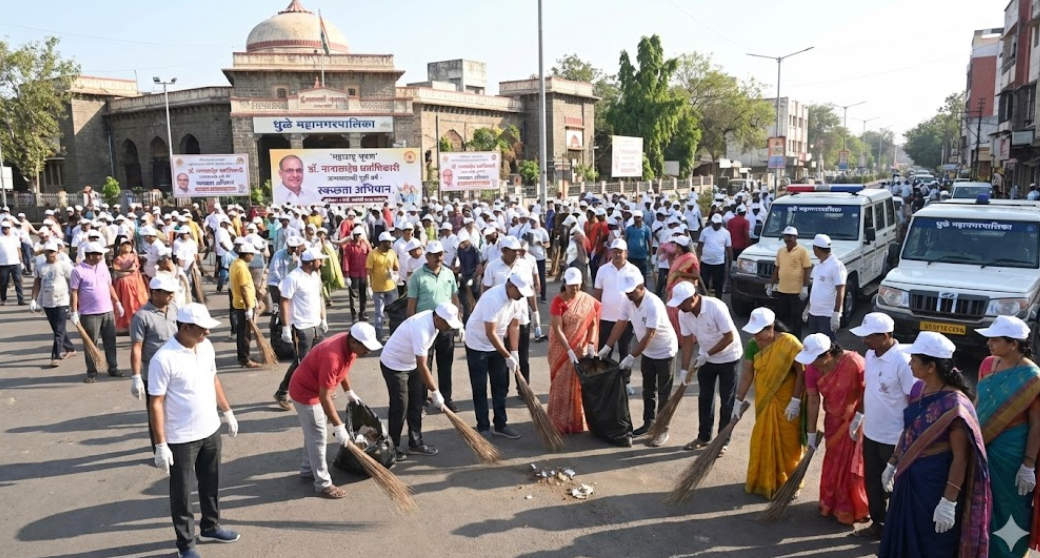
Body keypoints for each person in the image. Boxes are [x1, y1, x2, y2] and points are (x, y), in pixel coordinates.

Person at [878, 332, 990, 558]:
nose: (909, 364)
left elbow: (961, 457)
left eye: (914, 360)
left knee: (930, 541)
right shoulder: (919, 389)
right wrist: (893, 461)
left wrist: (948, 501)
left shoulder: (955, 404)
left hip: (934, 483)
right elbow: (909, 429)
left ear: (931, 367)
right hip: (910, 474)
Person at [148, 303, 240, 558]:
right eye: (203, 329)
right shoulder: (163, 358)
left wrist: (227, 412)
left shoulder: (206, 347)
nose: (208, 333)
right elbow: (155, 402)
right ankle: (186, 545)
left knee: (211, 483)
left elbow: (214, 379)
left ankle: (210, 526)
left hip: (210, 430)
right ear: (185, 327)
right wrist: (160, 445)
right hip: (181, 438)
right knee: (182, 494)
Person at [287, 322, 382, 499]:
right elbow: (324, 397)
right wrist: (339, 427)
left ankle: (308, 470)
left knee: (313, 434)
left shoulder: (349, 346)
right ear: (354, 342)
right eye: (366, 348)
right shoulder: (333, 356)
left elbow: (343, 370)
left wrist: (349, 391)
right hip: (306, 393)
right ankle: (322, 484)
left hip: (314, 388)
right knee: (318, 436)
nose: (368, 352)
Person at [848, 312, 919, 539]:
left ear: (886, 335)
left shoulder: (903, 362)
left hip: (894, 437)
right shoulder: (870, 354)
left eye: (869, 336)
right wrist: (859, 416)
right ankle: (878, 523)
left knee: (894, 486)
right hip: (871, 433)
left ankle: (895, 529)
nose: (864, 341)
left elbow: (914, 400)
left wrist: (909, 437)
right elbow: (869, 389)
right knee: (873, 482)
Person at [974, 315, 1040, 557]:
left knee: (1010, 506)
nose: (989, 344)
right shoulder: (987, 364)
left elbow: (1036, 426)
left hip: (1011, 455)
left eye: (995, 340)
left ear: (1014, 344)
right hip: (982, 446)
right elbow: (978, 403)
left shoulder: (1033, 378)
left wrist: (1028, 464)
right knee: (980, 503)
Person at [796, 333, 869, 525]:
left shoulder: (854, 362)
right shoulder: (812, 369)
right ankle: (830, 503)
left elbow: (868, 392)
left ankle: (850, 508)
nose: (812, 365)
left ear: (827, 355)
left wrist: (859, 417)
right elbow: (813, 399)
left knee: (851, 466)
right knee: (833, 462)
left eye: (815, 360)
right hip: (833, 422)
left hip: (855, 421)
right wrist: (811, 432)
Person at [599, 272, 678, 445]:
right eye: (626, 292)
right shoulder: (627, 301)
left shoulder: (653, 304)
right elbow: (620, 324)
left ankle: (663, 429)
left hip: (665, 350)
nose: (629, 295)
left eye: (632, 291)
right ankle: (649, 423)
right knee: (648, 389)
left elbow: (650, 335)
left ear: (642, 288)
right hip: (648, 352)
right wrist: (607, 346)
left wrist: (631, 356)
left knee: (664, 392)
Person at [736, 307, 804, 499]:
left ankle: (790, 482)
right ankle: (764, 481)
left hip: (787, 399)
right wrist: (737, 401)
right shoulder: (752, 345)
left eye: (760, 332)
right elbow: (748, 374)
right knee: (763, 438)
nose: (757, 336)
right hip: (764, 398)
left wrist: (796, 400)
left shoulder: (790, 343)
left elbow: (802, 372)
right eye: (754, 332)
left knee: (788, 443)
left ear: (771, 328)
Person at [380, 302, 464, 459]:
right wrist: (436, 392)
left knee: (417, 403)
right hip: (394, 364)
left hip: (411, 363)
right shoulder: (422, 329)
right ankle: (393, 446)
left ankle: (415, 442)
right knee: (401, 405)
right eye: (448, 323)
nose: (449, 328)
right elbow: (423, 366)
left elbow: (420, 365)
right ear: (439, 318)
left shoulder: (435, 323)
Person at [667, 280, 742, 451]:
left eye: (681, 303)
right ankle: (704, 437)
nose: (679, 308)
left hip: (729, 357)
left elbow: (729, 337)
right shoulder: (683, 313)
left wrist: (708, 354)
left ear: (694, 297)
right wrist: (685, 369)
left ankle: (722, 441)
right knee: (705, 398)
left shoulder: (716, 307)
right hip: (706, 358)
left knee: (727, 400)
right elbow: (687, 341)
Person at [464, 271, 533, 439]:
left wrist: (514, 352)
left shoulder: (517, 299)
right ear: (510, 285)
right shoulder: (492, 298)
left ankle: (500, 425)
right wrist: (506, 355)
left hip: (497, 343)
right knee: (480, 387)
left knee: (500, 386)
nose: (522, 296)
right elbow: (490, 332)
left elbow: (514, 325)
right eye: (520, 292)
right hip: (477, 345)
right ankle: (483, 426)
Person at [406, 240, 461, 412]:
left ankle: (446, 398)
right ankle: (422, 400)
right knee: (424, 365)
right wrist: (411, 327)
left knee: (445, 365)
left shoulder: (448, 274)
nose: (439, 258)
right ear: (427, 256)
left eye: (441, 254)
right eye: (435, 255)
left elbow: (454, 297)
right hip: (425, 328)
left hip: (445, 327)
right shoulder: (417, 276)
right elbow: (412, 304)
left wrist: (458, 320)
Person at [273, 248, 329, 410]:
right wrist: (285, 327)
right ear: (311, 262)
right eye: (319, 260)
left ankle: (316, 389)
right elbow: (284, 302)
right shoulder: (293, 278)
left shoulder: (315, 276)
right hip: (301, 326)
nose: (322, 263)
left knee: (318, 359)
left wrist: (323, 318)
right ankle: (283, 392)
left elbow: (320, 298)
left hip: (316, 324)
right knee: (302, 362)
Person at [547, 268, 601, 434]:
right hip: (561, 349)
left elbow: (592, 324)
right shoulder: (558, 301)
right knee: (561, 382)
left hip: (581, 348)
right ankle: (559, 422)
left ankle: (576, 421)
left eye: (577, 286)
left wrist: (591, 344)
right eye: (571, 286)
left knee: (578, 385)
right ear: (565, 284)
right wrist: (568, 350)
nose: (574, 289)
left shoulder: (587, 300)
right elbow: (557, 328)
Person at [130, 275, 179, 449]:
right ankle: (159, 447)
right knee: (156, 412)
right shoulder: (142, 316)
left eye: (172, 293)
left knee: (174, 409)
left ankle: (174, 444)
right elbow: (137, 347)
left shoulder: (173, 308)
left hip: (175, 369)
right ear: (155, 293)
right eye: (168, 293)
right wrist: (136, 376)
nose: (172, 296)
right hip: (153, 372)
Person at [70, 242, 124, 382]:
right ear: (90, 255)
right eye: (99, 254)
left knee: (110, 342)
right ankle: (92, 371)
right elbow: (74, 292)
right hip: (89, 313)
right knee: (91, 344)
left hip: (107, 311)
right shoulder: (78, 271)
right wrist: (74, 311)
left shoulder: (103, 267)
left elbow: (109, 286)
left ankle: (113, 367)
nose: (101, 256)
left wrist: (117, 302)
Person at [593, 239, 642, 394]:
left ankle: (624, 382)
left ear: (626, 253)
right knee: (604, 350)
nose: (617, 254)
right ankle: (602, 380)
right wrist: (595, 316)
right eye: (614, 251)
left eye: (620, 251)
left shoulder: (634, 271)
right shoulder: (603, 270)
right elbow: (597, 295)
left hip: (627, 320)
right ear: (610, 252)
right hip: (606, 318)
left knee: (625, 351)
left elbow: (640, 295)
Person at [30, 241, 76, 367]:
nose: (50, 254)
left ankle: (55, 356)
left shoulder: (64, 265)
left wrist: (74, 300)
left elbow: (73, 282)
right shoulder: (40, 266)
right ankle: (70, 348)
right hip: (48, 301)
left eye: (52, 252)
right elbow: (37, 282)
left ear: (57, 252)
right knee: (57, 329)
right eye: (48, 251)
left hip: (62, 300)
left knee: (59, 330)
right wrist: (33, 299)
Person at [768, 226, 811, 339]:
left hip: (796, 292)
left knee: (796, 320)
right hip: (782, 290)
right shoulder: (781, 251)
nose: (787, 238)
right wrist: (770, 284)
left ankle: (796, 344)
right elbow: (777, 269)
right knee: (782, 319)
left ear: (795, 237)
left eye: (789, 236)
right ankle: (783, 341)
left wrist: (805, 288)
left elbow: (807, 269)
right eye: (785, 236)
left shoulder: (803, 251)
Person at [803, 234, 846, 340]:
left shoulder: (836, 265)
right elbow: (816, 289)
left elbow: (841, 290)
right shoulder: (819, 266)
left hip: (826, 315)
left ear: (816, 249)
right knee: (815, 345)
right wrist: (808, 307)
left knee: (829, 348)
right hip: (814, 313)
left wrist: (836, 313)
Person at [229, 242, 260, 368]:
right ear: (246, 254)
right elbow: (243, 289)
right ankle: (245, 358)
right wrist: (249, 307)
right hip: (243, 304)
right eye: (251, 254)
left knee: (242, 331)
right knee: (245, 333)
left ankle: (243, 355)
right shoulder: (241, 268)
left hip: (240, 302)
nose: (252, 257)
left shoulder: (236, 263)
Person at [111, 237, 149, 334]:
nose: (127, 247)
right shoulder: (118, 259)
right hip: (123, 286)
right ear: (120, 247)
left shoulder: (133, 256)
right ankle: (127, 325)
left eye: (128, 245)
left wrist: (123, 274)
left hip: (136, 283)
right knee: (126, 304)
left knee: (137, 303)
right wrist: (124, 274)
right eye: (124, 245)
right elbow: (117, 271)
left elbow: (133, 269)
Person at [366, 231, 400, 340]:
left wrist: (394, 275)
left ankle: (394, 333)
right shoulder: (373, 254)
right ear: (382, 242)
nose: (391, 244)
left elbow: (396, 268)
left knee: (394, 313)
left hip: (391, 288)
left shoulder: (392, 253)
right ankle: (378, 334)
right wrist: (368, 287)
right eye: (389, 242)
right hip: (378, 289)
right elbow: (368, 272)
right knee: (379, 313)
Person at [340, 226, 371, 322]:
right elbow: (346, 261)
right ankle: (354, 315)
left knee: (363, 294)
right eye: (356, 235)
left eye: (359, 235)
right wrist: (346, 275)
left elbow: (371, 255)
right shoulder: (349, 247)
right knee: (353, 296)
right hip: (353, 275)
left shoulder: (365, 246)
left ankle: (362, 313)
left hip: (363, 274)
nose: (358, 237)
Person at [696, 214, 731, 297]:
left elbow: (729, 248)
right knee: (704, 283)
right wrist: (697, 260)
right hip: (706, 262)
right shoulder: (705, 231)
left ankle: (718, 301)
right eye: (715, 224)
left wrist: (730, 261)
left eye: (718, 224)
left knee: (718, 285)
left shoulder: (726, 233)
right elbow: (700, 247)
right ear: (712, 223)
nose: (716, 226)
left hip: (719, 263)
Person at [0, 219, 25, 305]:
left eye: (6, 228)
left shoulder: (14, 238)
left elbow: (18, 250)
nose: (5, 230)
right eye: (3, 228)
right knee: (3, 283)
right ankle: (3, 299)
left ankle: (20, 300)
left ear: (9, 228)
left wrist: (21, 261)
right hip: (3, 264)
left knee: (18, 282)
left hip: (15, 263)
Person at [623, 212, 652, 278]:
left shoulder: (646, 229)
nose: (637, 219)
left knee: (642, 276)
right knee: (630, 275)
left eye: (638, 217)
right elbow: (625, 240)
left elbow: (649, 241)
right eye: (635, 217)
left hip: (642, 256)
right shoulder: (629, 229)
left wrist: (650, 254)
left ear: (642, 218)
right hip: (631, 256)